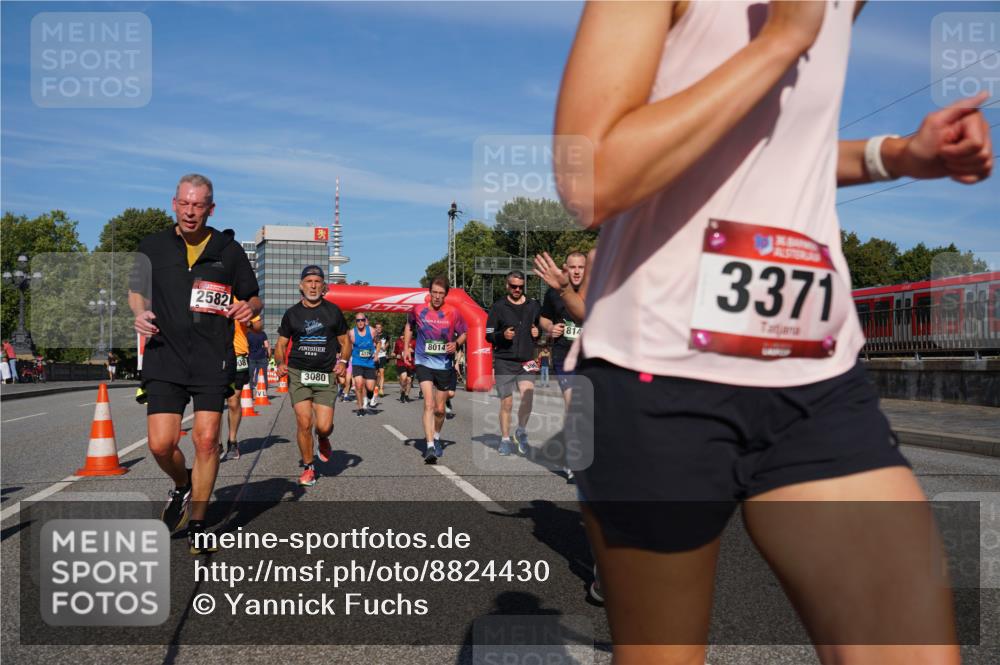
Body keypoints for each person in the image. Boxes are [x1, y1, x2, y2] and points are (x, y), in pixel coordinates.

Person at [555, 2, 993, 662]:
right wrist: (781, 41)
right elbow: (589, 176)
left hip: (816, 376)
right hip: (658, 373)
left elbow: (785, 143)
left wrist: (895, 154)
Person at [130, 173, 260, 555]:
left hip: (210, 357)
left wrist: (245, 307)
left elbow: (255, 300)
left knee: (206, 441)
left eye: (198, 206)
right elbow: (136, 293)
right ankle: (184, 484)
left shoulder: (228, 249)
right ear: (174, 204)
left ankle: (200, 523)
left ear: (210, 208)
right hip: (164, 353)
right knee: (160, 444)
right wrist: (139, 313)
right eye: (184, 204)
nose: (190, 212)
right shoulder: (152, 246)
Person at [274, 265, 350, 487]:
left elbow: (345, 342)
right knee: (304, 422)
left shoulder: (333, 312)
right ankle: (309, 467)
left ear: (324, 286)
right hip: (299, 373)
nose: (313, 285)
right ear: (301, 285)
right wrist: (280, 362)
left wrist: (343, 362)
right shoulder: (292, 314)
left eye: (317, 281)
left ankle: (323, 438)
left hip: (325, 374)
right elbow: (281, 344)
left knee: (324, 426)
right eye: (309, 281)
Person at [403, 276, 468, 462]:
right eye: (434, 293)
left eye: (441, 294)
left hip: (444, 364)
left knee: (440, 410)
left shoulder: (453, 312)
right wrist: (407, 347)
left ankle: (437, 437)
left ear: (446, 295)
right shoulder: (418, 310)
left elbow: (464, 332)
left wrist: (456, 343)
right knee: (429, 404)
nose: (437, 297)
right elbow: (409, 326)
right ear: (429, 293)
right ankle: (430, 446)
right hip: (423, 361)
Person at [485, 270, 541, 456]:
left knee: (527, 397)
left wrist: (538, 333)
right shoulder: (498, 307)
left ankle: (521, 431)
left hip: (526, 360)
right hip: (504, 361)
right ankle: (505, 440)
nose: (517, 289)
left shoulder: (533, 305)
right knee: (507, 403)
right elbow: (488, 335)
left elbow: (542, 327)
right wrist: (502, 335)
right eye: (514, 286)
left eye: (520, 287)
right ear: (507, 286)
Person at [221, 303, 261, 461]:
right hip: (214, 354)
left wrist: (249, 323)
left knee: (233, 400)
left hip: (238, 355)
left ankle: (232, 442)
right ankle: (215, 444)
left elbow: (258, 326)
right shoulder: (210, 291)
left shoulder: (242, 299)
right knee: (214, 401)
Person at [349, 313, 378, 416]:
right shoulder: (352, 333)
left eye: (362, 320)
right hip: (357, 361)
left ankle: (370, 393)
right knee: (358, 384)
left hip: (369, 362)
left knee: (370, 388)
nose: (360, 322)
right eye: (358, 320)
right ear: (355, 322)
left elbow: (377, 342)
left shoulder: (372, 331)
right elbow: (347, 346)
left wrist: (376, 354)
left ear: (365, 320)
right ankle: (360, 407)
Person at [393, 331, 416, 402]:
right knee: (404, 377)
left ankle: (406, 395)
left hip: (410, 364)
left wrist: (413, 351)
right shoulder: (398, 342)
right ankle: (403, 391)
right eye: (405, 333)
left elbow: (419, 352)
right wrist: (395, 355)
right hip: (401, 363)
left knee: (409, 381)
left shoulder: (414, 342)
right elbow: (394, 352)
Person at [246, 326, 270, 392]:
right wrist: (268, 355)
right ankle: (264, 391)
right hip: (262, 356)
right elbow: (266, 345)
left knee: (250, 375)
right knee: (263, 375)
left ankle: (249, 391)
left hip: (251, 357)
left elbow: (246, 345)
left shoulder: (248, 334)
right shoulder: (262, 333)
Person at [371, 321, 389, 404]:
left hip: (382, 355)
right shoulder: (372, 335)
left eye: (379, 327)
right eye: (376, 327)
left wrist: (385, 346)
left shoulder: (385, 335)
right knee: (375, 374)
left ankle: (381, 389)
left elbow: (388, 343)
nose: (378, 329)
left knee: (382, 372)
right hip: (374, 356)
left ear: (382, 328)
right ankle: (375, 388)